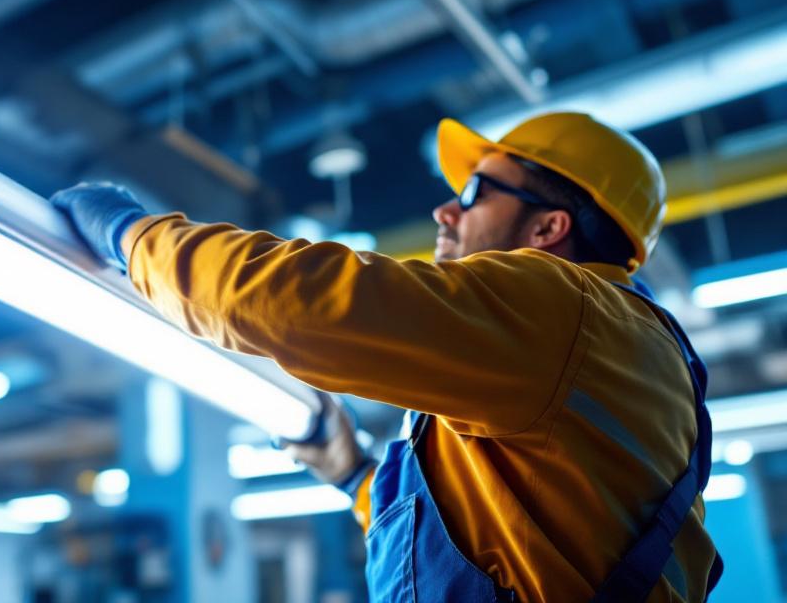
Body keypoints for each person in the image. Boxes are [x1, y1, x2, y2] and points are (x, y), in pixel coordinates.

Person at [52, 112, 721, 602]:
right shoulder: (594, 352)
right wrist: (353, 475)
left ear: (549, 228)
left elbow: (296, 303)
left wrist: (128, 234)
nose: (444, 211)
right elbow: (495, 531)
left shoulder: (564, 311)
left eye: (473, 193)